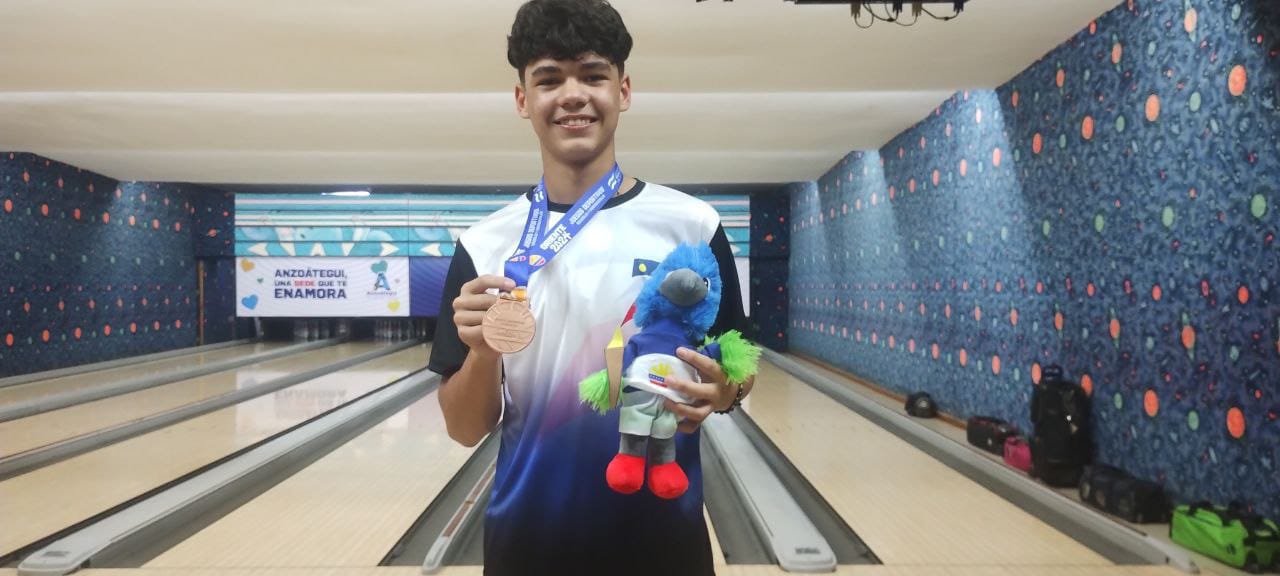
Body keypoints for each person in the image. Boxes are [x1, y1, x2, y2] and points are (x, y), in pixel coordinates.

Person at [428, 0, 752, 573]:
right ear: (523, 99)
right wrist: (481, 351)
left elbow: (739, 369)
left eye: (593, 75)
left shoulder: (693, 225)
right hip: (528, 542)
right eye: (549, 78)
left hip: (663, 542)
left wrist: (722, 392)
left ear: (623, 90)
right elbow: (463, 428)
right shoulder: (484, 244)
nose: (573, 94)